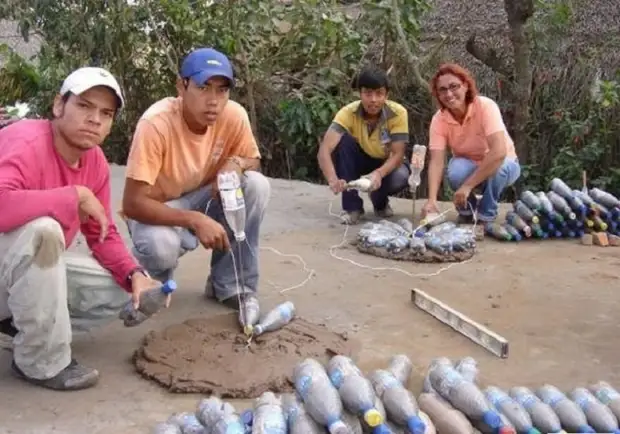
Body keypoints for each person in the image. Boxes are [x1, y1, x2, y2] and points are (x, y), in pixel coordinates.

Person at [0, 67, 160, 391]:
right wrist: (73, 195)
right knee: (44, 232)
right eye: (84, 106)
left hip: (12, 274)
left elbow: (103, 233)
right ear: (59, 105)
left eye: (106, 113)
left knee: (123, 290)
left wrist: (134, 274)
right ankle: (40, 362)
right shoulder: (25, 140)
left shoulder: (95, 161)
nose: (95, 119)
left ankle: (21, 324)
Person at [121, 47, 270, 310]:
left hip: (204, 198)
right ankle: (148, 285)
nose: (213, 100)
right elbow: (133, 204)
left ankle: (230, 284)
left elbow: (253, 160)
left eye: (222, 90)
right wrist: (195, 219)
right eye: (204, 87)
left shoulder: (233, 115)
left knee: (256, 186)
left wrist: (235, 164)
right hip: (157, 209)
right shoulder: (156, 124)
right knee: (161, 246)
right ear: (182, 86)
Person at [422, 63, 521, 223]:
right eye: (442, 90)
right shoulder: (439, 120)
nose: (449, 94)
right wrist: (432, 200)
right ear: (437, 95)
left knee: (499, 167)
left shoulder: (485, 106)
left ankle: (486, 215)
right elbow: (436, 162)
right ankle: (468, 210)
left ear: (466, 86)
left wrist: (467, 186)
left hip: (504, 164)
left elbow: (499, 152)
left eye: (454, 86)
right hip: (470, 164)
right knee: (455, 171)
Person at [317, 65, 411, 224]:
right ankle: (352, 208)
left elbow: (398, 154)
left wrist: (379, 174)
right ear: (360, 93)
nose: (373, 100)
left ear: (386, 95)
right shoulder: (348, 112)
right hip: (361, 159)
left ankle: (380, 203)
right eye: (368, 93)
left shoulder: (399, 113)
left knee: (400, 176)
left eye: (379, 94)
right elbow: (324, 150)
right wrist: (333, 179)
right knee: (344, 142)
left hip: (386, 162)